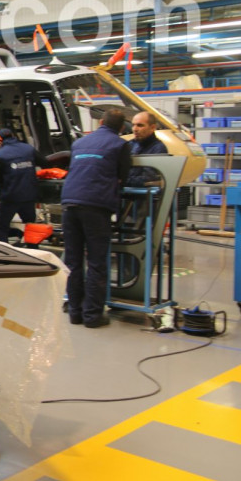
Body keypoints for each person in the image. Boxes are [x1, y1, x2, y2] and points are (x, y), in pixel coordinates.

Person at [61, 108, 132, 328]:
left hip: (69, 202)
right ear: (122, 128)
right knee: (97, 262)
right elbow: (124, 177)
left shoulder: (79, 143)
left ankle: (75, 313)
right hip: (95, 205)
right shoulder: (121, 145)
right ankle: (92, 316)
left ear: (100, 122)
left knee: (72, 262)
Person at [0, 128, 49, 243]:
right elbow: (44, 163)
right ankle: (33, 250)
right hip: (29, 196)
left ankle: (4, 252)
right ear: (13, 135)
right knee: (31, 226)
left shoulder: (0, 155)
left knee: (0, 226)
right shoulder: (28, 149)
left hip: (10, 197)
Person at [127, 110, 168, 187]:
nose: (135, 129)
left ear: (152, 127)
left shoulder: (159, 148)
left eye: (140, 125)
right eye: (133, 125)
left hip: (144, 196)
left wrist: (123, 180)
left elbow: (149, 179)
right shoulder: (130, 145)